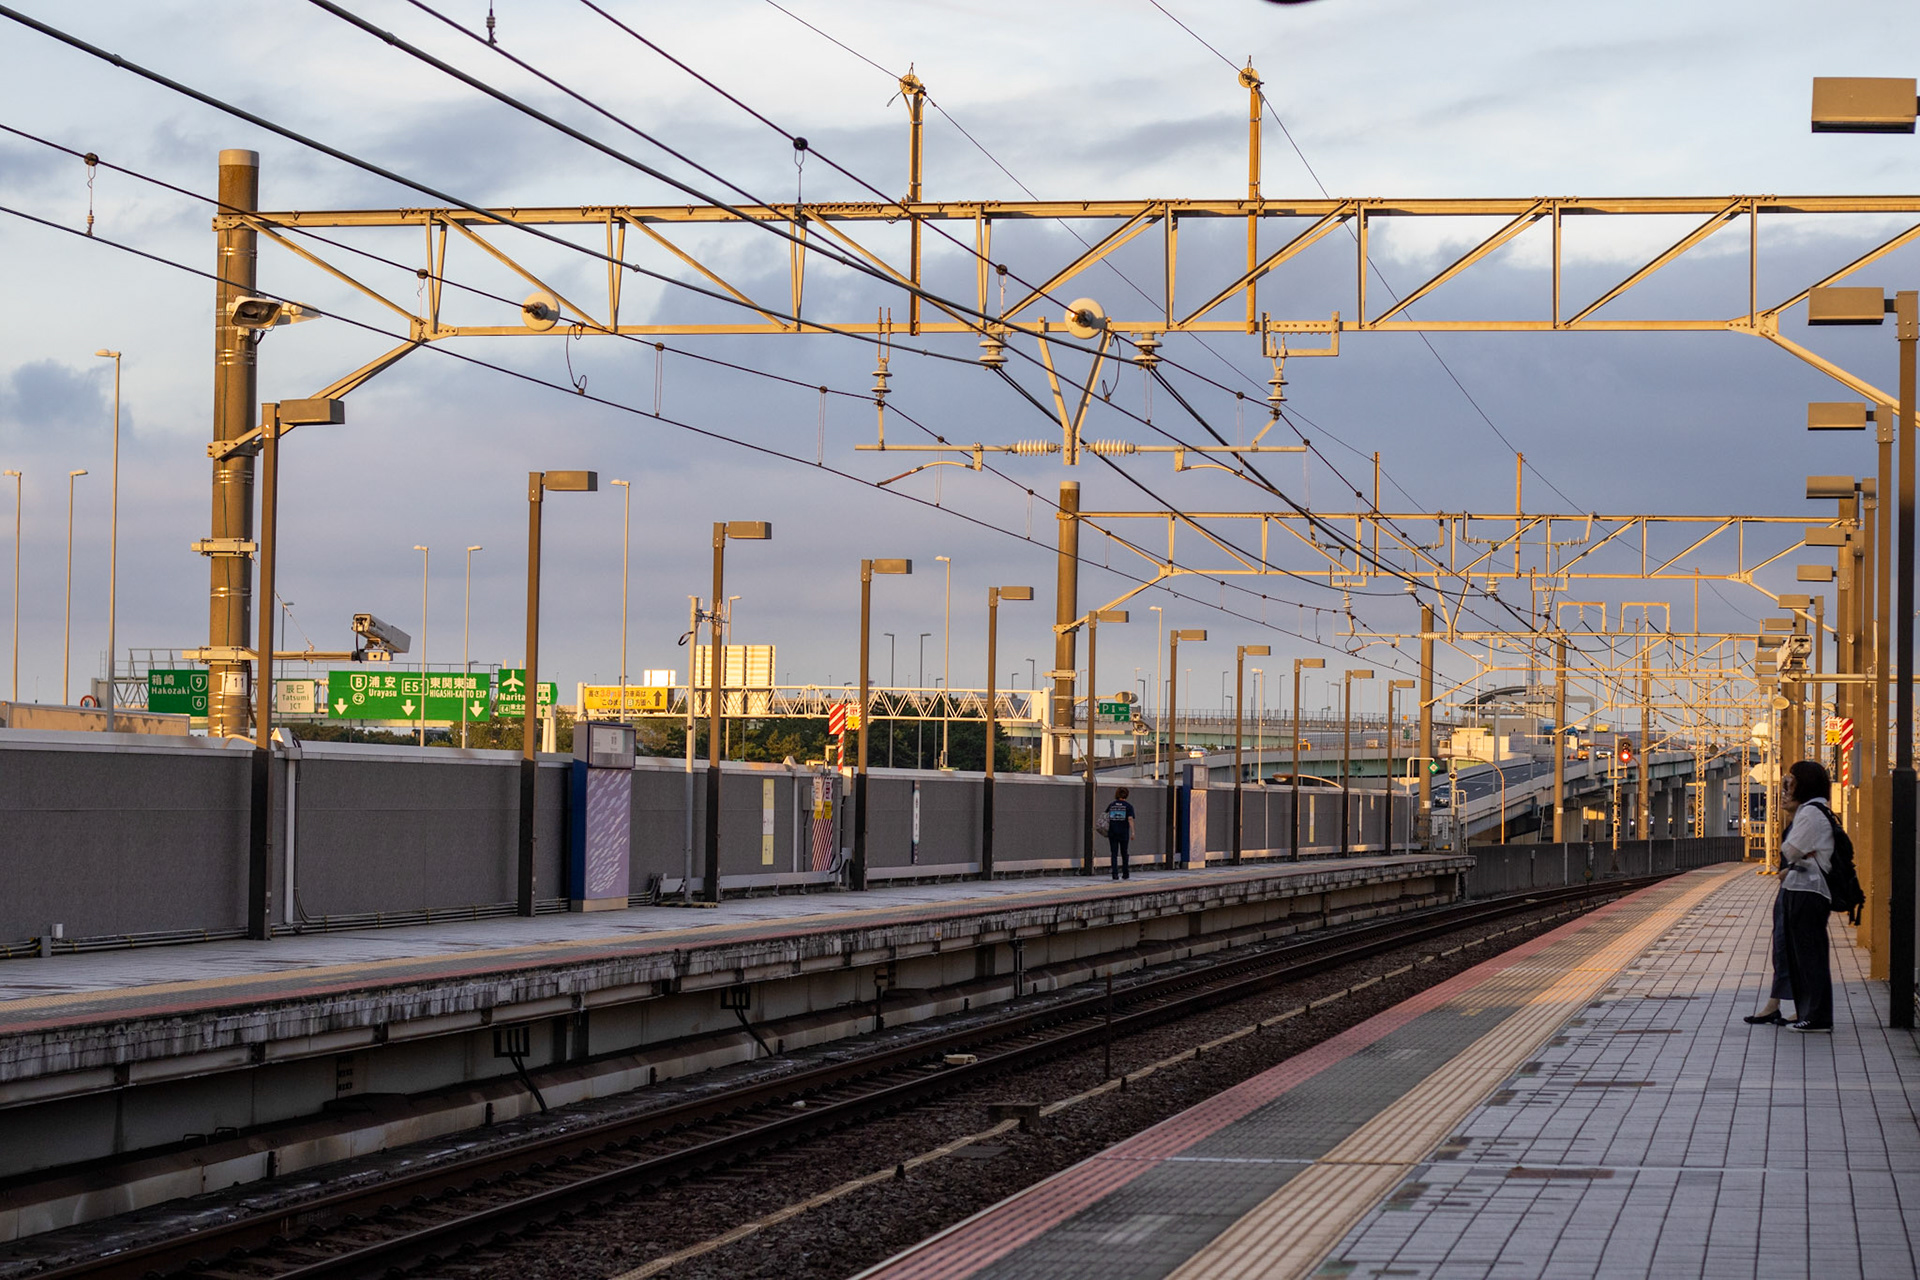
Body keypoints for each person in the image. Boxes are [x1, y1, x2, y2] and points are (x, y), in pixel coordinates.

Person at [1771, 760, 1836, 1032]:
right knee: (1807, 956)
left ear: (1804, 784)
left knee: (1809, 957)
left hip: (1807, 891)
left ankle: (1816, 1017)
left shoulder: (1810, 813)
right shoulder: (1819, 809)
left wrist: (1797, 849)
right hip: (1807, 890)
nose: (1788, 787)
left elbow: (1790, 849)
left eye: (1792, 782)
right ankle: (1808, 1014)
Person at [1104, 787, 1137, 881]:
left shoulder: (1112, 805)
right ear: (1126, 795)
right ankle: (1125, 874)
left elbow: (1106, 816)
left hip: (1112, 832)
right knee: (1124, 853)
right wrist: (1133, 832)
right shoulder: (1128, 806)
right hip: (1123, 832)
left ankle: (1115, 874)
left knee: (1114, 853)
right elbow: (1130, 819)